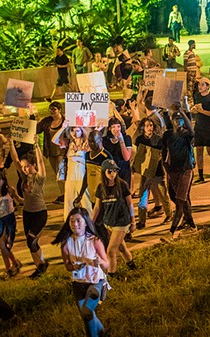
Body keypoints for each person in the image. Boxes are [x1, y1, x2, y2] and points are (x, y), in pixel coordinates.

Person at [54, 207, 110, 337]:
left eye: (78, 220)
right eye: (72, 221)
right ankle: (102, 333)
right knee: (87, 316)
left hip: (96, 282)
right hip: (78, 283)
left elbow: (107, 264)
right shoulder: (66, 243)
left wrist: (99, 262)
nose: (75, 224)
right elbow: (67, 266)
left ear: (86, 222)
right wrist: (74, 267)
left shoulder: (95, 240)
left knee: (86, 310)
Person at [92, 160, 136, 277]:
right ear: (103, 172)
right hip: (109, 222)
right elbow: (97, 207)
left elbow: (129, 204)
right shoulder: (101, 188)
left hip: (121, 221)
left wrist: (133, 221)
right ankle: (132, 266)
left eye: (115, 171)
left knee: (111, 251)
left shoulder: (122, 185)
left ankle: (112, 275)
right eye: (110, 171)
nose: (113, 174)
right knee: (121, 247)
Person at [14, 142, 50, 279]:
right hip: (27, 213)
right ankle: (39, 267)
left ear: (33, 165)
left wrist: (36, 146)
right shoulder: (24, 178)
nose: (24, 169)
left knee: (32, 241)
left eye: (27, 166)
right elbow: (16, 160)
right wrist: (11, 143)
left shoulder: (39, 178)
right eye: (23, 167)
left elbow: (41, 161)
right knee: (31, 243)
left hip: (39, 213)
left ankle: (42, 265)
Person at [161, 106, 197, 241]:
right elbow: (164, 151)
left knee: (180, 202)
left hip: (185, 171)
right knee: (180, 198)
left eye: (180, 119)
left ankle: (171, 232)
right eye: (175, 119)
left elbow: (192, 130)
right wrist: (166, 166)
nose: (178, 121)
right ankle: (192, 225)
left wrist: (183, 111)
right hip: (173, 171)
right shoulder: (168, 135)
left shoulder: (186, 134)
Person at [132, 117, 172, 228]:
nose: (149, 128)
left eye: (151, 125)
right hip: (145, 172)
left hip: (157, 172)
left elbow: (163, 155)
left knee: (163, 194)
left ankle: (169, 214)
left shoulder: (158, 139)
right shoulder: (140, 139)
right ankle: (142, 220)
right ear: (143, 128)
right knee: (143, 196)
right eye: (147, 126)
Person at [37, 101, 67, 203]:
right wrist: (33, 117)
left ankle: (66, 194)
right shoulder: (47, 121)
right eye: (50, 109)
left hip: (62, 151)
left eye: (54, 109)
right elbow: (37, 129)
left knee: (61, 173)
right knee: (57, 175)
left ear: (59, 110)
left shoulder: (65, 120)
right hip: (51, 151)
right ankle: (63, 193)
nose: (52, 111)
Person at [192, 77, 210, 183]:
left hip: (209, 127)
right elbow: (196, 109)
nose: (200, 87)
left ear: (208, 86)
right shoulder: (197, 96)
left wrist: (202, 111)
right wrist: (195, 110)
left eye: (202, 84)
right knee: (198, 151)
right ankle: (200, 175)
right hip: (199, 127)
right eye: (199, 84)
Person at [102, 117, 133, 188]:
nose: (116, 129)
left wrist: (121, 140)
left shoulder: (126, 138)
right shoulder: (105, 140)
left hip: (123, 171)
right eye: (113, 127)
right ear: (109, 128)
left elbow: (127, 157)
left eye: (118, 126)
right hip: (110, 173)